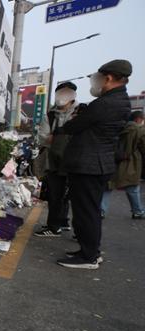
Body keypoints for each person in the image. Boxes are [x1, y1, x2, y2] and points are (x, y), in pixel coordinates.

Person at [57, 60, 132, 270]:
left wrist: (73, 120)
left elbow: (73, 127)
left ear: (108, 78)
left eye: (98, 79)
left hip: (88, 165)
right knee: (89, 210)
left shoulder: (105, 103)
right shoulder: (120, 100)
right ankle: (89, 251)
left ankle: (88, 256)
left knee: (86, 212)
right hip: (97, 164)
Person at [34, 82, 80, 237]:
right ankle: (54, 226)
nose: (62, 96)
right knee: (56, 193)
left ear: (73, 95)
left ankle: (71, 226)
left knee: (78, 197)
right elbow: (43, 138)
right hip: (54, 160)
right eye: (60, 92)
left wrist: (57, 135)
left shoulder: (81, 112)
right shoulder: (50, 115)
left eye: (67, 93)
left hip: (77, 160)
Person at [100, 111, 145, 218]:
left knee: (107, 187)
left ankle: (101, 210)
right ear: (138, 119)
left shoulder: (116, 127)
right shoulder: (138, 130)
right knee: (133, 188)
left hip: (111, 161)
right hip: (130, 163)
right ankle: (137, 211)